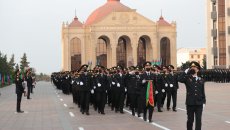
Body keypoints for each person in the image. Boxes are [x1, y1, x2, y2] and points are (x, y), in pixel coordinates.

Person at [178, 61, 206, 130]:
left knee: (198, 120)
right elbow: (179, 79)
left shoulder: (201, 79)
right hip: (190, 103)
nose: (193, 68)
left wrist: (204, 101)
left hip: (199, 103)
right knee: (190, 120)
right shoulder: (187, 78)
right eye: (191, 67)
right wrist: (185, 72)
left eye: (195, 67)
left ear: (198, 69)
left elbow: (202, 92)